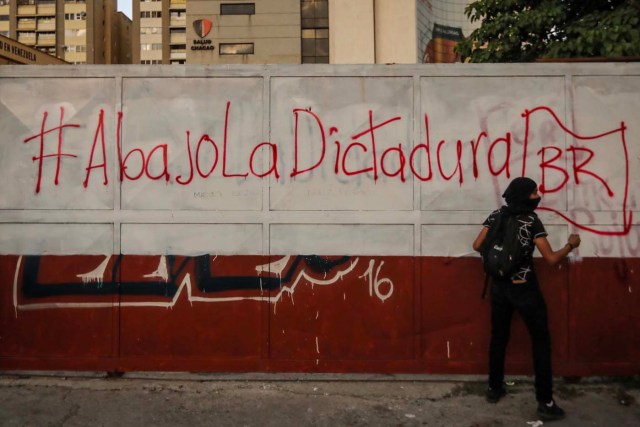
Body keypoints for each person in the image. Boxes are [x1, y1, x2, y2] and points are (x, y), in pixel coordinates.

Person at [472, 177, 581, 422]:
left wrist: (498, 257)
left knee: (498, 337)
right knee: (541, 342)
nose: (537, 195)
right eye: (534, 193)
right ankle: (545, 401)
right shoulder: (531, 221)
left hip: (499, 288)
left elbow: (477, 244)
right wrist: (570, 246)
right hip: (525, 290)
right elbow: (551, 259)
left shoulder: (496, 215)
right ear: (524, 196)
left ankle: (494, 388)